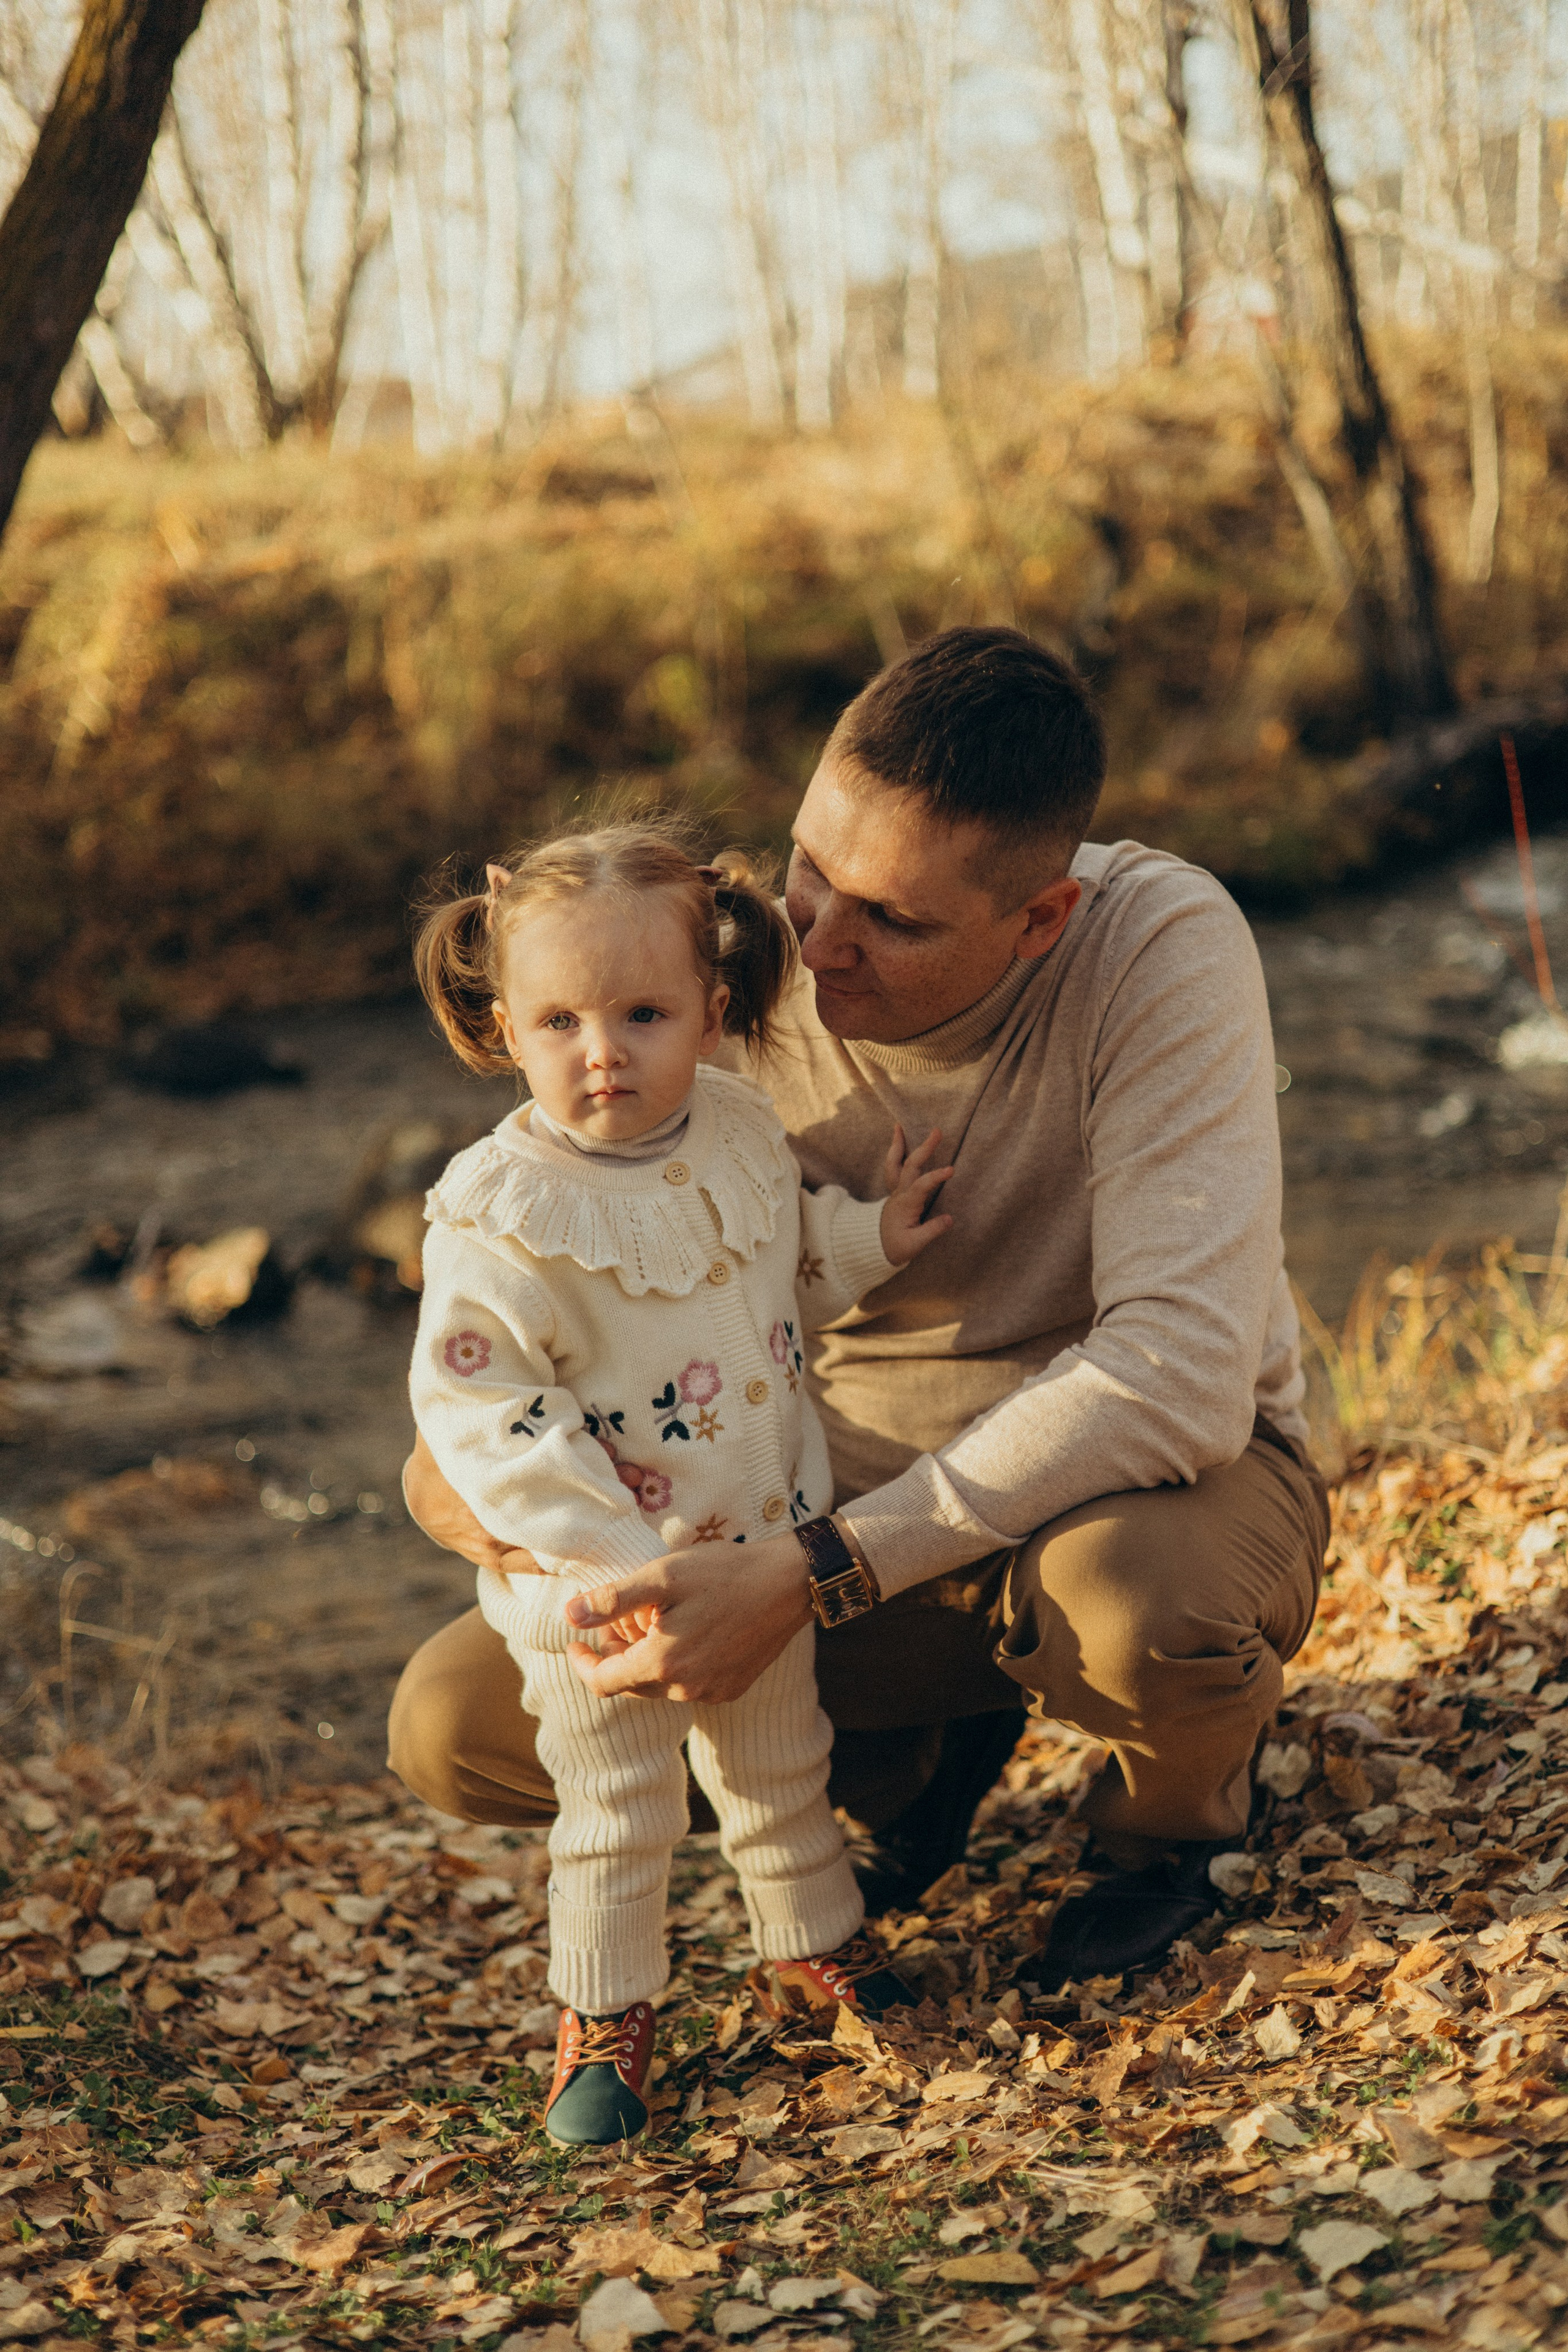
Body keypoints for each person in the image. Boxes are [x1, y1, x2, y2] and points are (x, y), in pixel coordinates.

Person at [392, 625, 1329, 2000]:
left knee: (1140, 1614)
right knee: (458, 1728)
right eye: (809, 875)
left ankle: (1166, 1833)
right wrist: (452, 1468)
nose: (817, 948)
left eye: (892, 920)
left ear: (1037, 920)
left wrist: (815, 1572)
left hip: (1128, 1501)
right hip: (814, 1500)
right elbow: (563, 1268)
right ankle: (909, 1765)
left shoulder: (1153, 947)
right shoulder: (726, 963)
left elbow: (1178, 1371)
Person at [408, 824, 953, 2144]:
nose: (602, 1051)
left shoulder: (739, 1133)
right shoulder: (502, 1212)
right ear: (503, 1029)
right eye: (560, 1020)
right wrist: (607, 1562)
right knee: (618, 1806)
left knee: (781, 1766)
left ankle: (811, 1948)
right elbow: (481, 1406)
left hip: (760, 1553)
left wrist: (870, 1237)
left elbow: (783, 1273)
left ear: (712, 1016)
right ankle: (605, 2013)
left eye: (641, 1014)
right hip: (600, 1596)